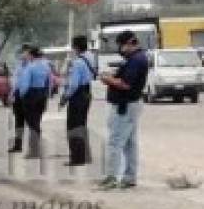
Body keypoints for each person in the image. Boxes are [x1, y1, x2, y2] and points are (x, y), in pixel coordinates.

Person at [97, 30, 149, 190]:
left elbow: (125, 84)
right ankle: (129, 177)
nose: (120, 49)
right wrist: (114, 76)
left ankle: (111, 177)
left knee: (115, 142)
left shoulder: (136, 60)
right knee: (129, 144)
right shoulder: (137, 58)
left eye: (121, 46)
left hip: (125, 106)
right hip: (131, 104)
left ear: (130, 43)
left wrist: (107, 79)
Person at [59, 35, 96, 167]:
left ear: (76, 47)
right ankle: (85, 156)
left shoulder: (78, 62)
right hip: (87, 93)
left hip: (78, 95)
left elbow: (73, 85)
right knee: (82, 125)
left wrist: (65, 97)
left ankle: (77, 158)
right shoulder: (90, 57)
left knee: (73, 127)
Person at [18, 46, 53, 159]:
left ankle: (34, 151)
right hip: (42, 94)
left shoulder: (30, 67)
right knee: (36, 121)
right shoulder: (46, 66)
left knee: (32, 123)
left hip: (31, 95)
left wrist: (22, 96)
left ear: (32, 56)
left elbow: (25, 86)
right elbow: (50, 83)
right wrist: (47, 95)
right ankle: (36, 149)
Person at [7, 44, 32, 153]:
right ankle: (18, 144)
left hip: (29, 95)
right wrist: (11, 94)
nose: (23, 54)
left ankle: (33, 146)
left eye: (25, 52)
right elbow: (15, 82)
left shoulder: (33, 66)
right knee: (19, 120)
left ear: (30, 54)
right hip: (18, 95)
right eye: (22, 52)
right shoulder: (19, 66)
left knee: (32, 121)